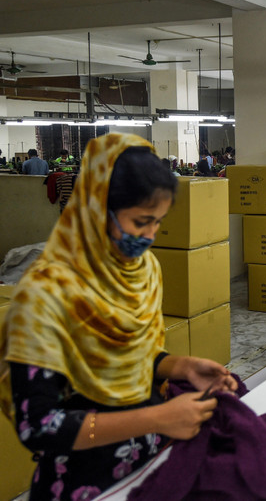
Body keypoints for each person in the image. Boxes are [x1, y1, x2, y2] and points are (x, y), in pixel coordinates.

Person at [0, 134, 237, 500]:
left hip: (147, 464)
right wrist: (158, 418)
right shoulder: (47, 292)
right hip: (81, 479)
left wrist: (179, 366)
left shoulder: (142, 272)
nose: (150, 236)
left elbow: (126, 357)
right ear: (97, 208)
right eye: (141, 222)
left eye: (158, 222)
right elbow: (40, 425)